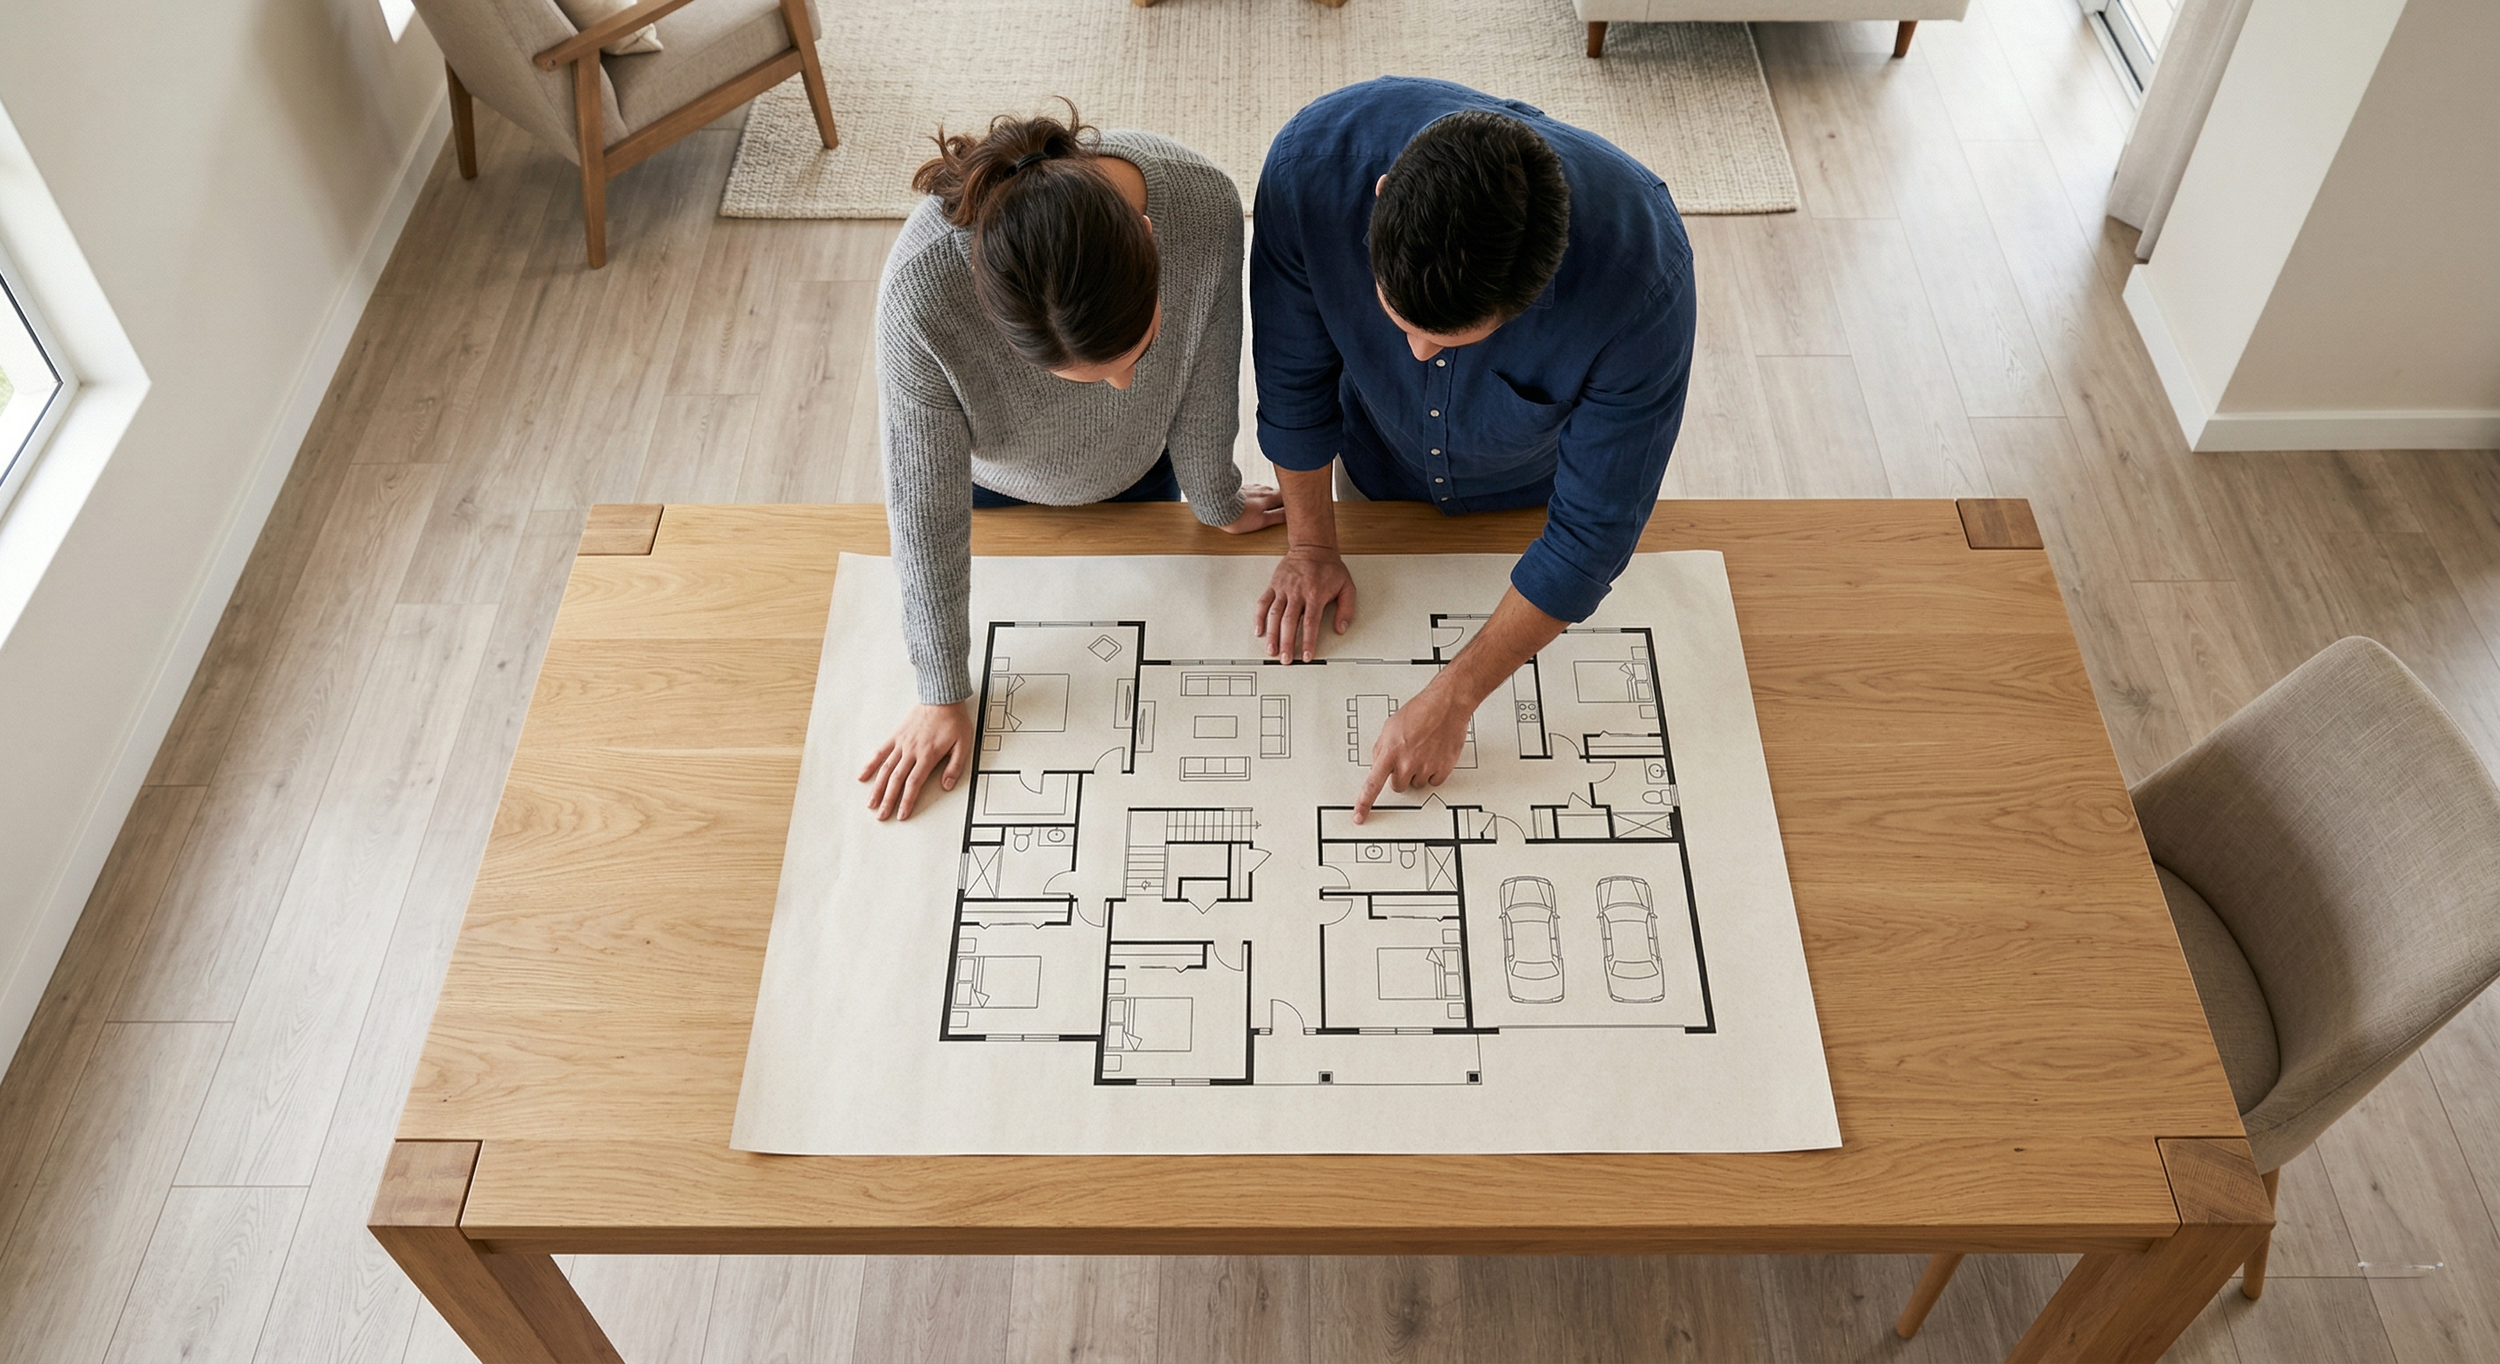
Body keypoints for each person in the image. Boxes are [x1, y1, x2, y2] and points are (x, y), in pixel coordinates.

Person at [1247, 77, 1696, 820]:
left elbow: (1589, 534)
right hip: (1374, 464)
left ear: (1534, 290)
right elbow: (1294, 383)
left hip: (1527, 504)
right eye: (1398, 320)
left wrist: (1457, 695)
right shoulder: (1309, 171)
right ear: (1383, 198)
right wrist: (1310, 545)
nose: (1417, 353)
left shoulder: (1642, 279)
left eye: (1450, 339)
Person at [861, 106, 1284, 821]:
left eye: (1139, 351)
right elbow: (922, 507)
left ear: (1150, 241)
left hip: (1145, 474)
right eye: (1087, 375)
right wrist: (941, 692)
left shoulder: (1205, 205)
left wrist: (1215, 496)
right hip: (993, 492)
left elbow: (1209, 373)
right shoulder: (920, 296)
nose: (1127, 387)